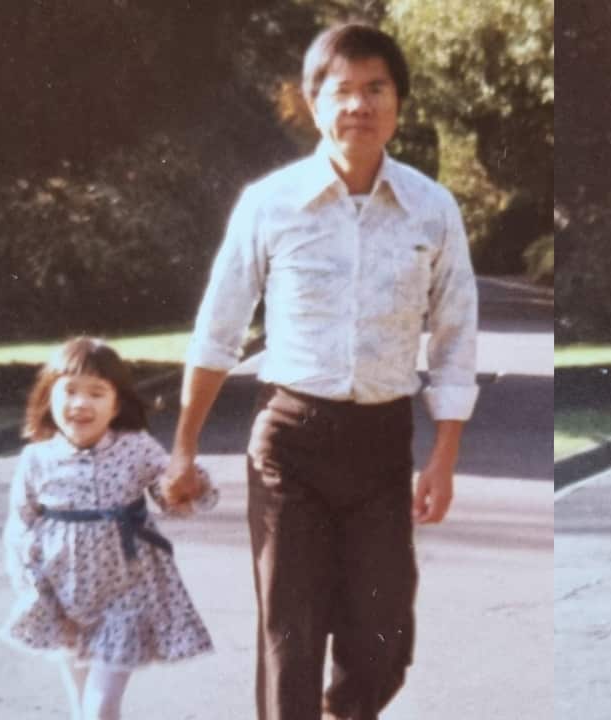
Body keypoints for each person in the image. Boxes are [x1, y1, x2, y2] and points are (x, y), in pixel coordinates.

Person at [161, 21, 478, 720]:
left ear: (398, 102)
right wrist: (184, 446)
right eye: (342, 90)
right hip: (290, 442)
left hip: (381, 446)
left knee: (384, 638)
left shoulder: (432, 208)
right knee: (289, 635)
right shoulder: (269, 204)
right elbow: (218, 330)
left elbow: (455, 338)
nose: (359, 105)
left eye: (376, 89)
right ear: (312, 102)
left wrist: (445, 455)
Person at [0, 336, 217, 720]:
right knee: (81, 707)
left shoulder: (136, 447)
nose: (81, 403)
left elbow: (173, 498)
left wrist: (189, 482)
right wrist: (29, 584)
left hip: (126, 593)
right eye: (69, 391)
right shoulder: (37, 458)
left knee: (100, 708)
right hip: (60, 596)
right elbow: (20, 525)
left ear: (117, 404)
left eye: (97, 393)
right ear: (49, 397)